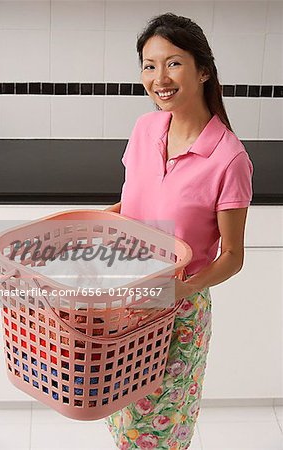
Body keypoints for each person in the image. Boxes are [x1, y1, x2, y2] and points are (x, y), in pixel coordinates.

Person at [105, 13, 253, 450]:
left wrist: (178, 293)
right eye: (149, 65)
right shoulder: (144, 127)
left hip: (176, 314)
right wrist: (97, 221)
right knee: (121, 420)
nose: (158, 78)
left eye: (173, 63)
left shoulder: (229, 159)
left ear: (203, 69)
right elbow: (132, 204)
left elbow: (232, 256)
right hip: (122, 299)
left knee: (157, 433)